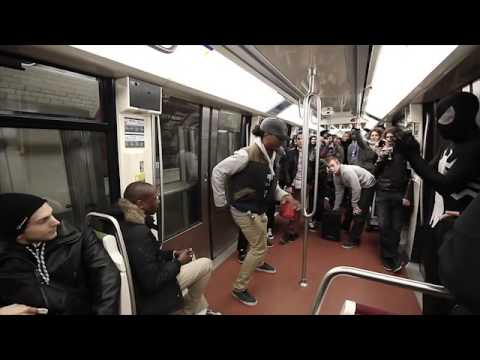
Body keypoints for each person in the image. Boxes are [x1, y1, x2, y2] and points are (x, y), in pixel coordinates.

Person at [396, 91, 480, 314]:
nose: (442, 124)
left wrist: (413, 156)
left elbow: (446, 184)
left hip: (460, 228)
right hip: (436, 221)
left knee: (450, 290)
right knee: (431, 286)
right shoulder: (448, 145)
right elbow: (430, 171)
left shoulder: (475, 148)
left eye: (446, 117)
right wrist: (410, 152)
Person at [211, 117, 299, 306]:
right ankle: (239, 288)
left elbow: (269, 184)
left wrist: (284, 195)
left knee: (261, 239)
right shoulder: (246, 155)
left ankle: (258, 263)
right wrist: (221, 202)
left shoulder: (271, 154)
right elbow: (218, 171)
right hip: (244, 209)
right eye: (280, 139)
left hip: (259, 207)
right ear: (267, 135)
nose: (283, 143)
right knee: (259, 247)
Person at [0, 193, 120, 315]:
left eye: (51, 214)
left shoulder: (76, 235)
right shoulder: (6, 255)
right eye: (43, 220)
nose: (56, 222)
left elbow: (105, 275)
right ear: (20, 234)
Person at [114, 181, 220, 315]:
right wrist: (178, 262)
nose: (158, 201)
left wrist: (173, 254)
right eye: (155, 198)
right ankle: (189, 311)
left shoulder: (123, 221)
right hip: (151, 292)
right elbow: (152, 282)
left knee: (191, 257)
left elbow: (149, 255)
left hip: (144, 276)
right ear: (140, 204)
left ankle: (201, 309)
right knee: (206, 264)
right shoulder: (138, 234)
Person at [373, 127, 413, 272]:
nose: (389, 140)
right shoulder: (380, 152)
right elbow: (374, 173)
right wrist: (380, 159)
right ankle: (389, 257)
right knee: (384, 225)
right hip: (383, 193)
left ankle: (392, 256)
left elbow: (410, 176)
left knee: (396, 227)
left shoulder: (404, 154)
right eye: (387, 137)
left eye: (392, 137)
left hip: (399, 193)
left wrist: (407, 195)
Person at [327, 157, 376, 248]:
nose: (331, 168)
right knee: (349, 207)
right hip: (357, 186)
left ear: (338, 163)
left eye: (333, 166)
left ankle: (354, 240)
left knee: (359, 212)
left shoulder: (346, 171)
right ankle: (345, 227)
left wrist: (355, 205)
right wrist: (336, 207)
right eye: (329, 167)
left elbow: (356, 188)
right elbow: (339, 192)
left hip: (368, 184)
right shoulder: (335, 175)